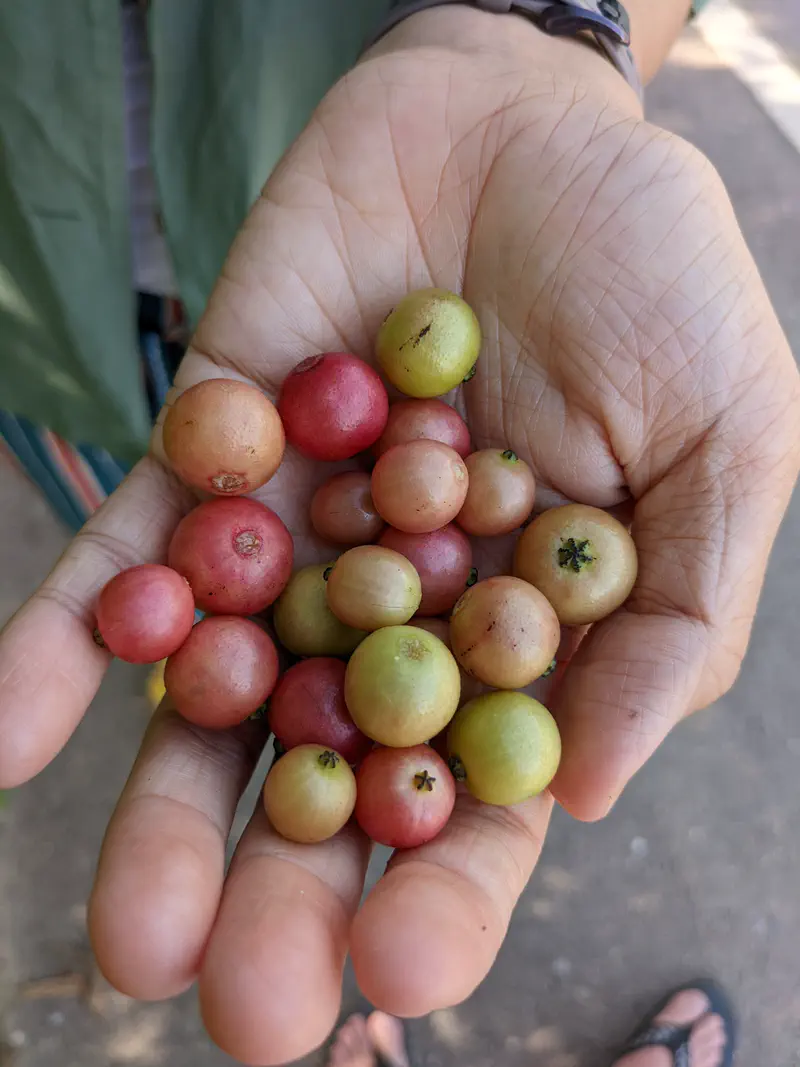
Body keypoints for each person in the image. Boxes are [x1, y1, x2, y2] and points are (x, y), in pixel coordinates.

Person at [0, 1, 797, 1064]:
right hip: (55, 325)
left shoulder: (432, 515)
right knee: (119, 500)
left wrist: (529, 42)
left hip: (347, 219)